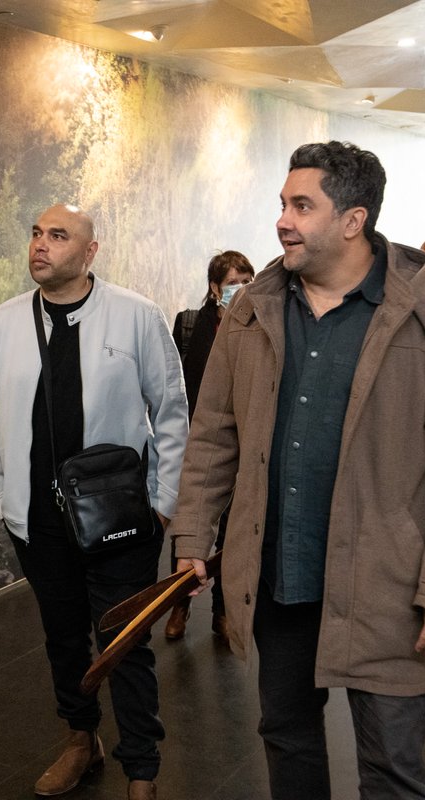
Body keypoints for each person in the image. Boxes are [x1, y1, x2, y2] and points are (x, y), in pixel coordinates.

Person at [172, 141, 425, 799]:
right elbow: (213, 434)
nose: (283, 220)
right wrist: (192, 536)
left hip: (389, 584)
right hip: (279, 579)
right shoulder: (250, 310)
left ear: (353, 219)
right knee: (288, 744)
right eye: (283, 204)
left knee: (393, 771)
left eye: (302, 205)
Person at [0, 203, 189, 800]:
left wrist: (162, 503)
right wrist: (2, 496)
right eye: (37, 233)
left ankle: (142, 770)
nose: (41, 244)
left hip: (120, 520)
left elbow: (171, 411)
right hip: (39, 523)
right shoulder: (3, 324)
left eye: (58, 235)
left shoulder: (136, 316)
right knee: (64, 638)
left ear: (90, 251)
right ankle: (80, 741)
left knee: (125, 642)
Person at [164, 251, 254, 642]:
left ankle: (221, 611)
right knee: (193, 528)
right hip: (198, 440)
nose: (243, 289)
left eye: (249, 280)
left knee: (232, 532)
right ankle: (178, 606)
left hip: (243, 443)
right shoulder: (189, 326)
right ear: (215, 288)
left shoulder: (256, 326)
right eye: (235, 282)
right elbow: (173, 385)